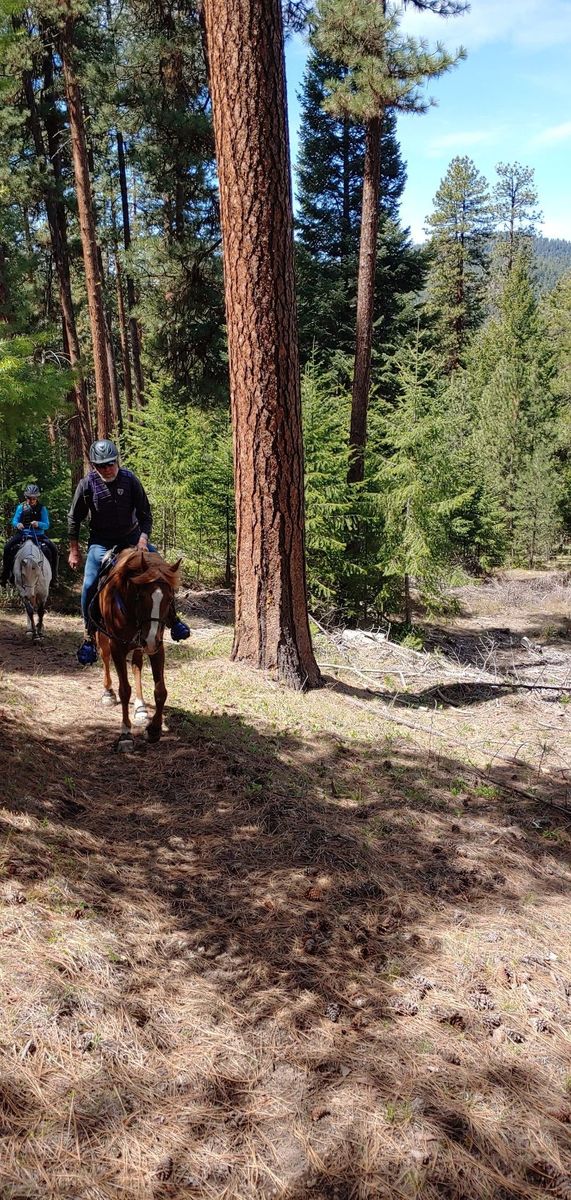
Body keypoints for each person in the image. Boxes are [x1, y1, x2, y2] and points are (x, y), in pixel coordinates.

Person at [68, 438, 190, 665]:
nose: (107, 468)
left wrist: (143, 539)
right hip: (102, 541)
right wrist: (74, 551)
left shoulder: (130, 480)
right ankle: (89, 635)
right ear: (94, 466)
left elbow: (145, 515)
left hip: (133, 538)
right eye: (101, 465)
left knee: (162, 572)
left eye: (110, 463)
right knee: (89, 583)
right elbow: (74, 519)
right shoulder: (87, 485)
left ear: (117, 461)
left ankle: (174, 620)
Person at [1, 484, 59, 586]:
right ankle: (5, 576)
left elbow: (46, 525)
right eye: (29, 498)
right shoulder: (21, 507)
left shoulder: (42, 509)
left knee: (54, 550)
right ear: (25, 497)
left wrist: (38, 524)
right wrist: (17, 524)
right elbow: (14, 520)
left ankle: (53, 578)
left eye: (33, 498)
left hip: (39, 535)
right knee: (7, 548)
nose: (31, 500)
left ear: (37, 498)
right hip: (23, 534)